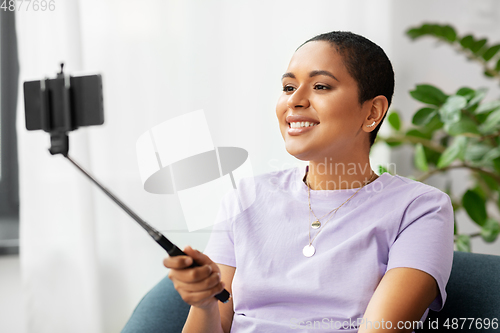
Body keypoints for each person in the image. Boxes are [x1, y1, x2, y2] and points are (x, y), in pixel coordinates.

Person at [164, 31, 454, 333]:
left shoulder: (421, 208)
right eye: (288, 87)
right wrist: (205, 303)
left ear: (372, 112)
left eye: (320, 86)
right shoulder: (245, 196)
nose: (295, 100)